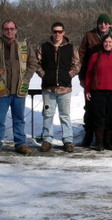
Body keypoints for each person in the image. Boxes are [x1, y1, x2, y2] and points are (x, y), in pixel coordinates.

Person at [0, 20, 38, 157]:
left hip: (19, 88)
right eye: (6, 29)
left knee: (19, 118)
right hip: (1, 89)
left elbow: (33, 63)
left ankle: (20, 144)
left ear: (16, 30)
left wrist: (26, 78)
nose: (9, 31)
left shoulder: (24, 45)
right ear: (2, 30)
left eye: (12, 28)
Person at [78, 13, 112, 147]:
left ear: (109, 24)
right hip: (95, 81)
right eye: (101, 23)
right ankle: (90, 135)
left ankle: (107, 140)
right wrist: (83, 78)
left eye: (106, 23)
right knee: (91, 111)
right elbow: (81, 57)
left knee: (108, 114)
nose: (103, 25)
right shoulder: (90, 35)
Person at [36, 22, 81, 153]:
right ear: (51, 32)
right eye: (55, 31)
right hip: (48, 88)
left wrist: (69, 75)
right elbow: (36, 64)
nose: (57, 34)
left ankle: (67, 140)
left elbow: (77, 64)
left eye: (60, 31)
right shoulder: (43, 47)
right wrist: (44, 75)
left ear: (64, 33)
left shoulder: (71, 48)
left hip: (64, 88)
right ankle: (47, 139)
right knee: (48, 114)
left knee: (65, 115)